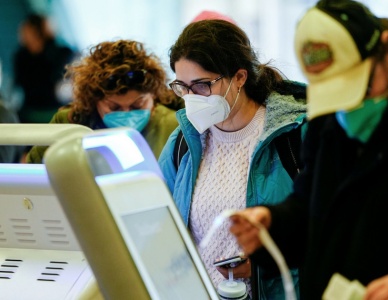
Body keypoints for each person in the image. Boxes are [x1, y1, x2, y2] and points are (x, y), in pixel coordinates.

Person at [229, 1, 388, 299]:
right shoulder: (328, 124)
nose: (350, 104)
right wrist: (271, 225)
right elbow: (309, 210)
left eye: (361, 86)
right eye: (336, 91)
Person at [158, 19, 308, 299]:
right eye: (182, 86)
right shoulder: (183, 142)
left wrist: (264, 267)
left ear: (240, 77)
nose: (191, 98)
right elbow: (159, 226)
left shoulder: (291, 137)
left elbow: (323, 231)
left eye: (202, 85)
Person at [26, 39, 182, 163]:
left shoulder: (174, 127)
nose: (126, 113)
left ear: (154, 95)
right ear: (93, 101)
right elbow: (31, 179)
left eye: (137, 105)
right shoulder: (68, 124)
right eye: (114, 107)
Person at [13, 13, 74, 123]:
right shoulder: (21, 56)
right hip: (29, 112)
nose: (21, 34)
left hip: (55, 108)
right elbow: (19, 83)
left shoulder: (61, 53)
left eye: (25, 30)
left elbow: (62, 83)